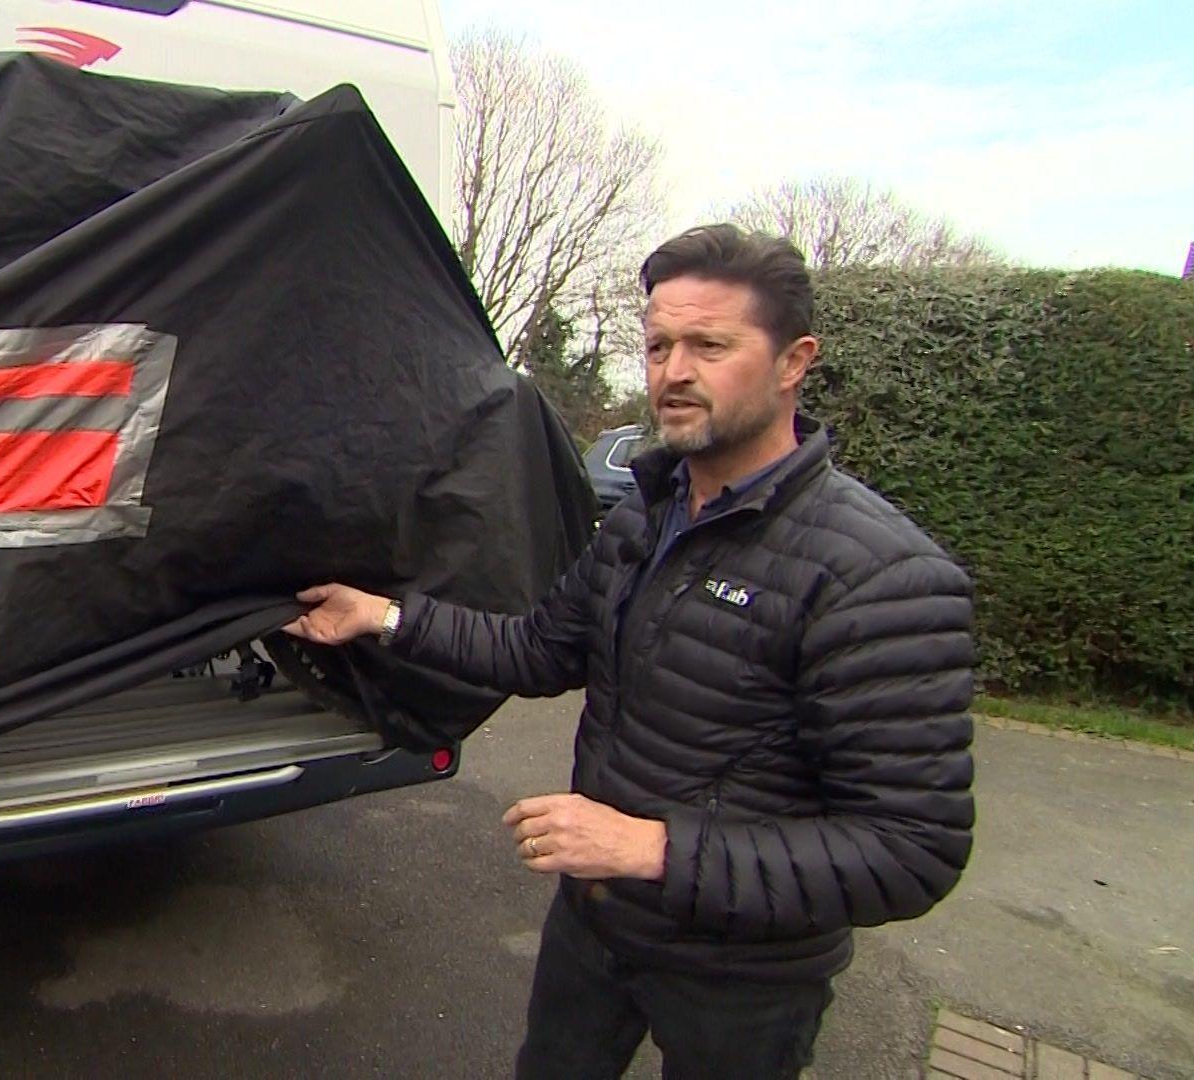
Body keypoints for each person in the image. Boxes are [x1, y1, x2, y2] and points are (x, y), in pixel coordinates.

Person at [285, 224, 976, 1080]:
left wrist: (649, 849)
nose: (673, 370)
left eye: (709, 345)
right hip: (597, 928)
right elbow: (539, 650)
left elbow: (910, 852)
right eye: (657, 344)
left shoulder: (882, 576)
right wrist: (384, 616)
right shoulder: (648, 517)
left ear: (794, 361)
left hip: (742, 980)